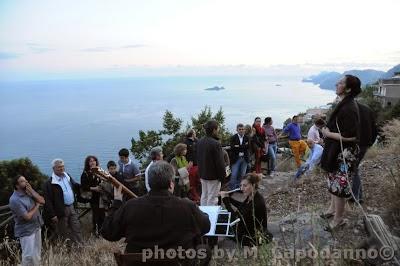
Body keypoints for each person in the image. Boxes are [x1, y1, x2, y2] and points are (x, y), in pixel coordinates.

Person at [101, 161, 211, 261]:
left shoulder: (130, 206)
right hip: (177, 262)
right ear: (171, 183)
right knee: (205, 250)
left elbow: (108, 233)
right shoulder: (186, 206)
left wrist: (117, 203)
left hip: (140, 263)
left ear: (149, 182)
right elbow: (205, 227)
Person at [320, 75, 361, 229]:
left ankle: (339, 219)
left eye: (341, 83)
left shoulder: (349, 107)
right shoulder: (343, 103)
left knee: (339, 187)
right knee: (332, 182)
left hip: (344, 154)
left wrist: (328, 134)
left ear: (348, 89)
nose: (337, 83)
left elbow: (351, 136)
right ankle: (332, 210)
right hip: (336, 151)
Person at [220, 173, 273, 247]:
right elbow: (243, 207)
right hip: (247, 228)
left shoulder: (257, 203)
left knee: (221, 222)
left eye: (245, 186)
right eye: (241, 185)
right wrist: (228, 198)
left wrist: (226, 201)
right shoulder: (253, 196)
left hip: (251, 237)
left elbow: (236, 218)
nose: (241, 189)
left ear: (253, 185)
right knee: (221, 216)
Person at [42, 159, 83, 244]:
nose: (62, 168)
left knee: (76, 228)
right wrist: (53, 215)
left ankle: (80, 248)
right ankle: (67, 251)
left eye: (63, 166)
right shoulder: (49, 183)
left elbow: (74, 185)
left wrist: (85, 187)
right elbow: (48, 200)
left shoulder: (67, 176)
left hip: (72, 206)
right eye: (59, 167)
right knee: (64, 232)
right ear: (53, 168)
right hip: (61, 210)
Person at [9, 175, 45, 266]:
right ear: (17, 186)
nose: (26, 182)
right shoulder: (15, 200)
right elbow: (27, 217)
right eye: (22, 181)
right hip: (26, 230)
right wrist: (37, 206)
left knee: (37, 253)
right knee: (28, 256)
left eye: (25, 180)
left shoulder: (28, 192)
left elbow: (42, 201)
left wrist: (32, 191)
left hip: (36, 226)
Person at [350, 102, 378, 203]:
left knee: (353, 169)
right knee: (354, 168)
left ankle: (356, 196)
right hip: (364, 144)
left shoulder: (351, 109)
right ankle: (357, 195)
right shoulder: (367, 108)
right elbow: (375, 128)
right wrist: (370, 143)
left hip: (355, 144)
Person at [197, 120, 226, 206]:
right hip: (213, 176)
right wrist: (222, 177)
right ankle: (210, 218)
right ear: (214, 130)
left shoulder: (199, 141)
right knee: (212, 198)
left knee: (204, 196)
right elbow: (220, 163)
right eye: (217, 129)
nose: (218, 131)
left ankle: (203, 215)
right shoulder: (216, 144)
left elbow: (198, 158)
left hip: (203, 173)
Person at [80, 155, 105, 235]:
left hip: (101, 196)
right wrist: (94, 188)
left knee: (102, 214)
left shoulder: (100, 170)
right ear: (87, 163)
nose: (92, 162)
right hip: (93, 197)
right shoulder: (85, 173)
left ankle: (103, 230)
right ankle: (96, 231)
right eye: (90, 161)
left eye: (94, 160)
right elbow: (84, 187)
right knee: (96, 214)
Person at [229, 123, 250, 190]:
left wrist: (238, 146)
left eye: (242, 129)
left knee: (242, 175)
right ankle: (232, 189)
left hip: (244, 158)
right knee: (234, 174)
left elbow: (248, 147)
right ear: (237, 130)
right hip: (236, 158)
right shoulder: (233, 137)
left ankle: (239, 188)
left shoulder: (247, 137)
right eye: (240, 129)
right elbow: (232, 147)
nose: (241, 130)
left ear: (244, 130)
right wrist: (243, 146)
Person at [184, 129, 201, 203]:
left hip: (198, 164)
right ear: (192, 134)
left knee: (198, 182)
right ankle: (194, 198)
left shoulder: (197, 141)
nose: (196, 134)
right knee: (192, 182)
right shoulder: (186, 142)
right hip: (191, 166)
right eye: (195, 133)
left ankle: (198, 196)